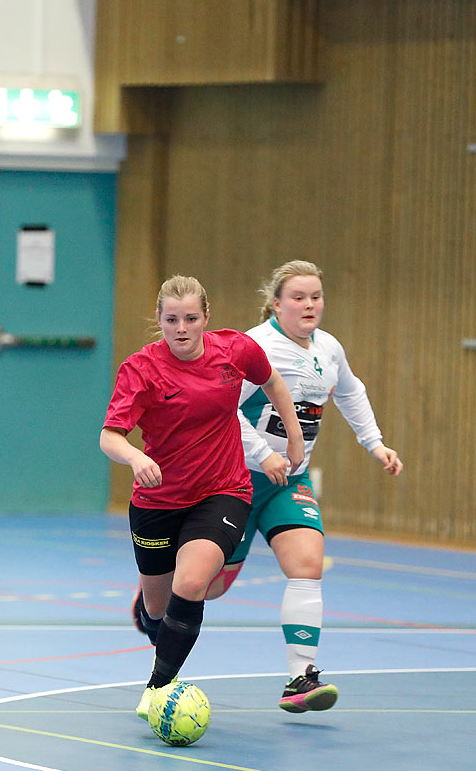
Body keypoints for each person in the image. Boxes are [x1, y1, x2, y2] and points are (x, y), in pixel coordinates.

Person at [102, 275, 305, 722]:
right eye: (171, 319)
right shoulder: (141, 369)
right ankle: (157, 629)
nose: (181, 328)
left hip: (223, 491)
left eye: (191, 318)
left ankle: (157, 690)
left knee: (191, 585)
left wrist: (293, 437)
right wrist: (135, 457)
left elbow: (272, 382)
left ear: (205, 318)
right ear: (158, 321)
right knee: (157, 610)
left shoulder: (233, 351)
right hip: (157, 502)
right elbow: (110, 436)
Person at [204, 260, 403, 713]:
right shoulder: (256, 347)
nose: (309, 304)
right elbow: (223, 409)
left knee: (308, 564)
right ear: (276, 303)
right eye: (298, 297)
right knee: (212, 587)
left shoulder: (329, 349)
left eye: (316, 296)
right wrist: (264, 453)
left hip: (287, 485)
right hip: (235, 480)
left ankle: (300, 678)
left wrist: (375, 444)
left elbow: (351, 393)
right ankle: (157, 593)